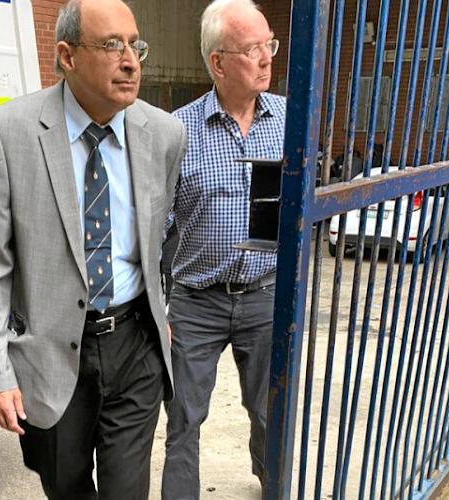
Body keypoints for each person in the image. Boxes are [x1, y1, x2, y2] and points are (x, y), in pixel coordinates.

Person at [0, 0, 187, 498]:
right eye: (111, 46)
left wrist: (161, 305)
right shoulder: (6, 132)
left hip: (135, 345)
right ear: (66, 56)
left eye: (135, 45)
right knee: (66, 486)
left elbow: (160, 235)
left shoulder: (165, 135)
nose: (131, 61)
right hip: (50, 351)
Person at [161, 0, 286, 498]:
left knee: (269, 411)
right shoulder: (178, 130)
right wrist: (157, 302)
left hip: (265, 295)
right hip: (196, 302)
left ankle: (273, 484)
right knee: (183, 418)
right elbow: (154, 224)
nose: (267, 58)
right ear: (218, 62)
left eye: (269, 45)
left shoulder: (289, 122)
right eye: (253, 49)